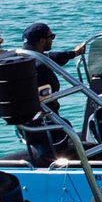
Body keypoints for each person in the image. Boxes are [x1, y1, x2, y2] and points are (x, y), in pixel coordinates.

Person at [16, 22, 84, 165]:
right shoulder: (40, 67)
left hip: (26, 124)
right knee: (65, 128)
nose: (52, 39)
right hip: (45, 124)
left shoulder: (22, 58)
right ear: (42, 41)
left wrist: (73, 53)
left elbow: (52, 57)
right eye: (51, 36)